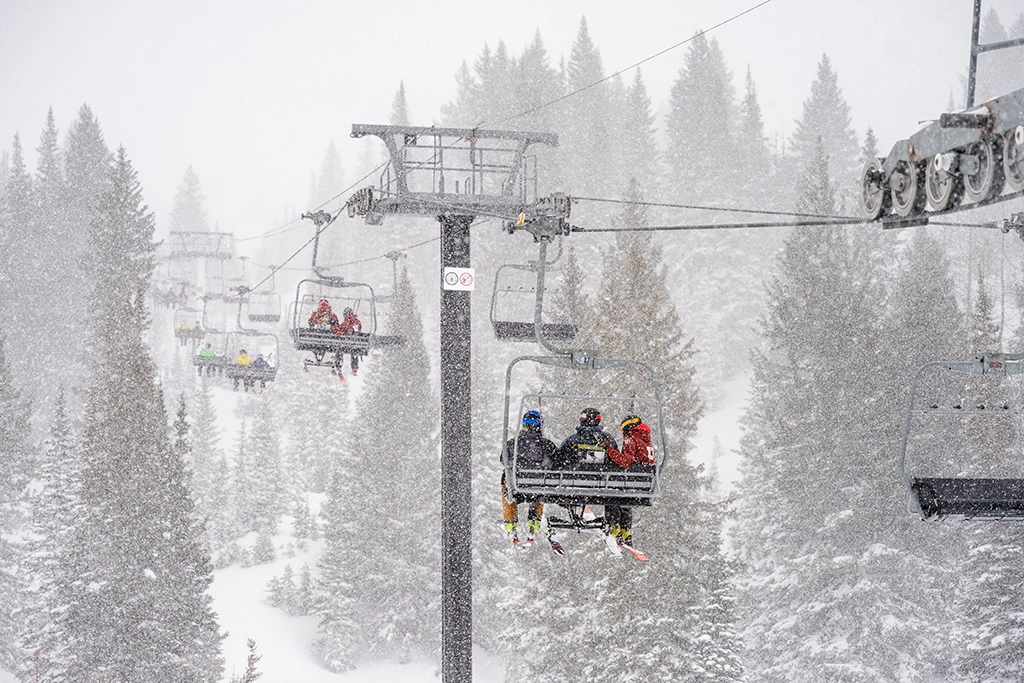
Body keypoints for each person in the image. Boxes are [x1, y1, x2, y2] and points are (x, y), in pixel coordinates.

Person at [501, 410, 556, 545]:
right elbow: (556, 463)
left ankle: (511, 525)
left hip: (517, 488)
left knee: (508, 491)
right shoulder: (546, 445)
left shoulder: (512, 444)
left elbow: (503, 459)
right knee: (539, 492)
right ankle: (534, 525)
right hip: (537, 488)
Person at [603, 415, 657, 547]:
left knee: (612, 495)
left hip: (629, 481)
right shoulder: (648, 443)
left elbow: (625, 462)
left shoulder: (631, 439)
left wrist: (609, 449)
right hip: (642, 485)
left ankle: (614, 527)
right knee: (626, 501)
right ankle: (626, 530)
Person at [554, 407, 618, 469]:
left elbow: (560, 459)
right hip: (602, 476)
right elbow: (616, 460)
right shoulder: (607, 438)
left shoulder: (571, 440)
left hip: (574, 476)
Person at [332, 306, 363, 376]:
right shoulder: (358, 322)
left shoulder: (346, 322)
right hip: (355, 346)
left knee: (339, 349)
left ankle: (339, 365)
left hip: (345, 345)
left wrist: (334, 328)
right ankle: (354, 367)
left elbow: (340, 332)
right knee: (355, 351)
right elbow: (360, 330)